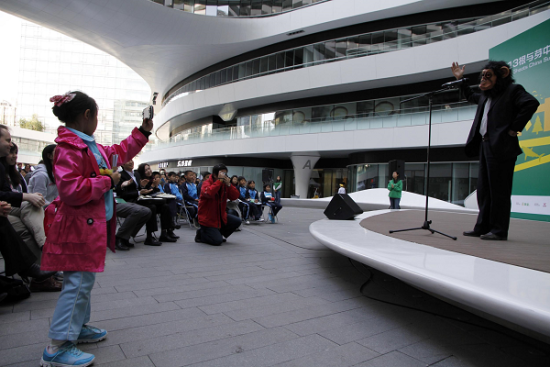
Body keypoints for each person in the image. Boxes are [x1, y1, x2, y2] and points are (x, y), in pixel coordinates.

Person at [39, 91, 152, 366]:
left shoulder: (90, 147)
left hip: (87, 228)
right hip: (78, 229)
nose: (97, 120)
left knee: (83, 282)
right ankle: (57, 346)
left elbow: (119, 151)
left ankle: (76, 329)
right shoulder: (68, 148)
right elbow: (70, 190)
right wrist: (107, 181)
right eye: (97, 115)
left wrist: (143, 131)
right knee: (77, 283)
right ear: (87, 115)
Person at [451, 61, 539, 240]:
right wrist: (461, 79)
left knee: (499, 191)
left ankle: (499, 230)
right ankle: (482, 227)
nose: (483, 79)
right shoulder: (485, 96)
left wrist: (514, 128)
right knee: (484, 190)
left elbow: (531, 103)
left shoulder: (513, 90)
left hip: (502, 146)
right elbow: (470, 95)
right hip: (485, 145)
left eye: (488, 75)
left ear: (502, 74)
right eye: (482, 75)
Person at [0, 125, 57, 286]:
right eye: (8, 141)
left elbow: (6, 193)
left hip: (17, 210)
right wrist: (27, 196)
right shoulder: (41, 175)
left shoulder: (8, 170)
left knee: (30, 214)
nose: (11, 148)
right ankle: (46, 258)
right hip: (11, 213)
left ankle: (44, 264)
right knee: (29, 217)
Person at [116, 160, 170, 244]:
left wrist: (142, 186)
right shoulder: (121, 175)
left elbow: (141, 188)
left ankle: (165, 232)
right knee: (152, 207)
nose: (130, 162)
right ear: (122, 164)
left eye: (131, 160)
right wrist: (139, 192)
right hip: (130, 201)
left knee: (164, 206)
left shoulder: (136, 174)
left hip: (141, 199)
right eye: (127, 161)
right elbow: (122, 193)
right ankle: (149, 236)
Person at [195, 164, 241, 246]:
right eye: (222, 173)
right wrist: (219, 182)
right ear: (215, 175)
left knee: (237, 221)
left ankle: (219, 233)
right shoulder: (206, 183)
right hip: (208, 218)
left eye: (225, 174)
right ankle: (201, 234)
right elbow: (209, 193)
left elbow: (235, 196)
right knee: (217, 241)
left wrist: (229, 185)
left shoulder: (224, 184)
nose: (224, 176)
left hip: (220, 216)